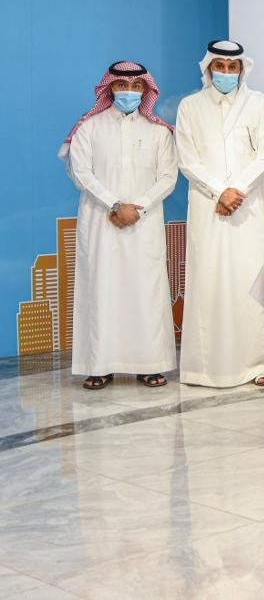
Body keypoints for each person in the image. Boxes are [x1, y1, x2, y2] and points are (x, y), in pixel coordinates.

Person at [62, 61, 178, 390]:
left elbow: (168, 176)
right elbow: (81, 173)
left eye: (136, 86)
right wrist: (114, 203)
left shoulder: (158, 131)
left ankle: (150, 364)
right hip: (101, 221)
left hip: (144, 221)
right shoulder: (89, 128)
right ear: (110, 87)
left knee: (145, 291)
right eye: (122, 85)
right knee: (102, 290)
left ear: (146, 90)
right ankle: (99, 365)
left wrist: (137, 207)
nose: (129, 92)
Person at [175, 40, 264, 388]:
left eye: (233, 67)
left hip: (249, 207)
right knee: (210, 281)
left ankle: (258, 363)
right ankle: (206, 367)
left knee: (251, 283)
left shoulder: (258, 104)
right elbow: (187, 159)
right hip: (209, 207)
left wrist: (237, 190)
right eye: (220, 66)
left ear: (242, 70)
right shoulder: (190, 106)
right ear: (209, 69)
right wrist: (220, 191)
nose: (227, 73)